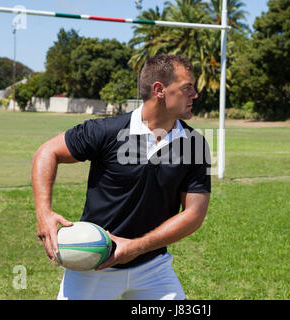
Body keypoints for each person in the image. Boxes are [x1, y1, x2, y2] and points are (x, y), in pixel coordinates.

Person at [32, 54, 211, 300]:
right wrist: (44, 213)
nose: (195, 95)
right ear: (159, 90)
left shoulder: (195, 145)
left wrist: (136, 248)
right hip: (93, 262)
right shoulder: (107, 131)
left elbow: (194, 215)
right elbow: (47, 152)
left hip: (152, 266)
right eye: (187, 88)